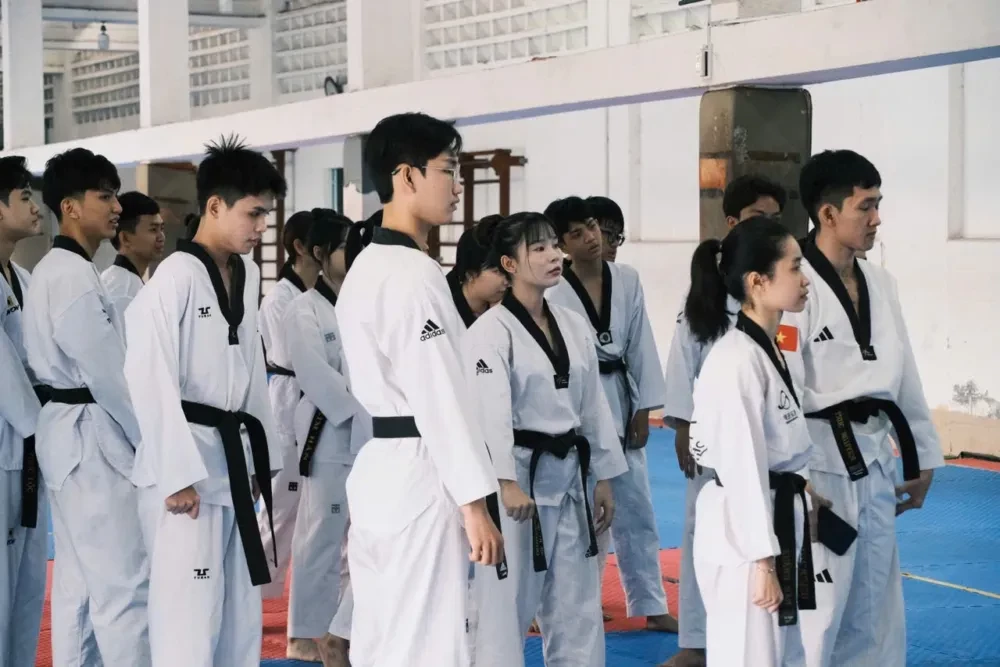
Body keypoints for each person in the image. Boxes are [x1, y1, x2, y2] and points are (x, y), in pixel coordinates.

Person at [332, 112, 504, 667]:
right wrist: (474, 503)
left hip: (384, 468)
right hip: (421, 471)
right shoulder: (412, 274)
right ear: (406, 176)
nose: (457, 187)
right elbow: (439, 397)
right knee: (427, 642)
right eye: (448, 170)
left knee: (384, 636)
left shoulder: (368, 266)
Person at [123, 136, 286, 666]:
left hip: (233, 462)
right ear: (215, 206)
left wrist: (264, 461)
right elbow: (147, 374)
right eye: (253, 213)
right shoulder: (175, 276)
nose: (262, 226)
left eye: (266, 214)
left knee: (239, 616)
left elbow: (253, 369)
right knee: (188, 619)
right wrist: (175, 474)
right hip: (186, 470)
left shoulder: (249, 272)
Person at [786, 150, 944, 667]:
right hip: (818, 466)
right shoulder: (793, 282)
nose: (877, 218)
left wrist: (921, 459)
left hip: (875, 459)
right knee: (822, 608)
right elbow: (780, 388)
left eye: (878, 204)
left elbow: (905, 373)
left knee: (877, 603)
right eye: (866, 206)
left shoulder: (881, 283)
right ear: (828, 214)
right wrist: (793, 479)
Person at [466, 211, 627, 667]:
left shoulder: (572, 324)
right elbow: (489, 415)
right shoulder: (489, 332)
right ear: (509, 264)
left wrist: (603, 476)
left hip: (571, 477)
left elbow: (593, 405)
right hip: (520, 480)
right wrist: (505, 482)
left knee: (578, 607)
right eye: (538, 248)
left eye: (555, 245)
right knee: (507, 607)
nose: (554, 255)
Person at [24, 147, 150, 666]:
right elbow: (109, 376)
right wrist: (151, 442)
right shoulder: (69, 275)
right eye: (105, 196)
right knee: (124, 587)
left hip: (74, 435)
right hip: (89, 437)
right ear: (70, 206)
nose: (117, 207)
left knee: (79, 587)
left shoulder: (65, 269)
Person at [659, 174, 787, 667]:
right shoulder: (709, 294)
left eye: (775, 217)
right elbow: (683, 361)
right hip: (715, 440)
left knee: (772, 535)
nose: (768, 224)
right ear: (733, 222)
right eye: (758, 216)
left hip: (772, 437)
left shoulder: (785, 289)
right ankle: (696, 640)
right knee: (704, 535)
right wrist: (682, 425)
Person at [686, 216, 823, 666]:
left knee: (780, 655)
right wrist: (763, 563)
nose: (805, 279)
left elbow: (775, 441)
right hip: (743, 538)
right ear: (757, 282)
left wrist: (803, 487)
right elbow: (742, 466)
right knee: (748, 656)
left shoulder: (767, 347)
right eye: (795, 268)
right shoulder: (736, 359)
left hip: (770, 515)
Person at [545, 195, 676, 633]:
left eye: (593, 228)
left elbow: (641, 343)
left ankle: (651, 603)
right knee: (585, 513)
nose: (592, 238)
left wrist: (644, 407)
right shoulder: (553, 288)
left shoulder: (627, 279)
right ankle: (576, 602)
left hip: (621, 397)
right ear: (562, 245)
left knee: (637, 507)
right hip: (580, 406)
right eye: (578, 233)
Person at [283, 210, 369, 667]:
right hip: (329, 432)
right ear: (319, 253)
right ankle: (305, 634)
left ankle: (346, 629)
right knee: (321, 534)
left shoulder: (360, 304)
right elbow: (316, 374)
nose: (353, 255)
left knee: (364, 535)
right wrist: (361, 410)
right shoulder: (304, 309)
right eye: (344, 247)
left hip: (369, 434)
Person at [256, 210, 321, 626]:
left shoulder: (319, 294)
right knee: (279, 508)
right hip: (288, 402)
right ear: (302, 248)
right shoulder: (279, 298)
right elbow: (296, 356)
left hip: (315, 406)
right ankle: (249, 593)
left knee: (312, 514)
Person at [0, 155, 48, 667]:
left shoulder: (25, 278)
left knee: (29, 580)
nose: (36, 208)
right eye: (25, 197)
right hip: (15, 437)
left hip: (31, 447)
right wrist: (42, 428)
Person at [100, 191, 165, 321]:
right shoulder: (125, 293)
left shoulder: (113, 278)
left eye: (161, 229)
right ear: (125, 238)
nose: (161, 237)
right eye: (153, 229)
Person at [445, 214, 508, 326]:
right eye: (497, 271)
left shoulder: (507, 301)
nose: (507, 281)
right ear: (470, 274)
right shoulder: (443, 309)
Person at [586, 196, 626, 263]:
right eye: (609, 234)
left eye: (617, 237)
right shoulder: (566, 269)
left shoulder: (621, 269)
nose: (615, 244)